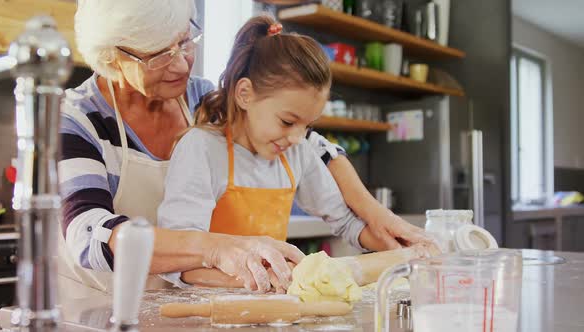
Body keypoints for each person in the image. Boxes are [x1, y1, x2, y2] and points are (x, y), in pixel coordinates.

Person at [58, 0, 430, 297]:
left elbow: (314, 147)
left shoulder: (201, 99)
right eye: (159, 54)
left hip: (183, 297)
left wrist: (375, 214)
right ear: (111, 57)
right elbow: (90, 234)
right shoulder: (78, 118)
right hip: (98, 302)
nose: (181, 62)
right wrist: (216, 249)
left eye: (185, 41)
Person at [157, 16, 431, 293]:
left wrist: (405, 248)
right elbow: (180, 260)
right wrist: (260, 279)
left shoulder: (296, 153)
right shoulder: (202, 149)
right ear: (244, 94)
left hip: (271, 305)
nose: (299, 138)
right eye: (288, 122)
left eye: (307, 126)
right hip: (207, 310)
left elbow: (348, 222)